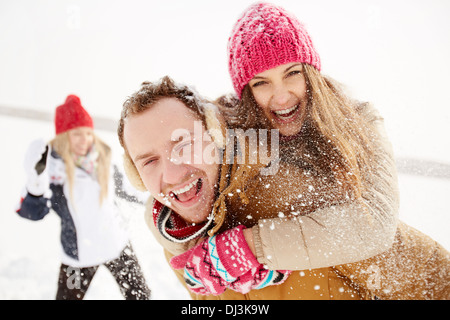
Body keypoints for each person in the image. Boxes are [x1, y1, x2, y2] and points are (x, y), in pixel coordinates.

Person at [118, 76, 449, 300]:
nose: (173, 173)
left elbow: (430, 277)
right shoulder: (177, 240)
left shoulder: (289, 192)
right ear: (136, 175)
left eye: (184, 143)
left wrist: (260, 246)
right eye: (149, 161)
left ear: (215, 136)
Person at [16, 94, 151, 300]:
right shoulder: (53, 173)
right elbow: (33, 212)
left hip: (117, 244)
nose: (85, 140)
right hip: (79, 256)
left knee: (141, 296)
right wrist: (35, 179)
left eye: (88, 133)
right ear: (63, 136)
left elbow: (129, 189)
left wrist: (157, 197)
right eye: (77, 134)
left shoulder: (103, 159)